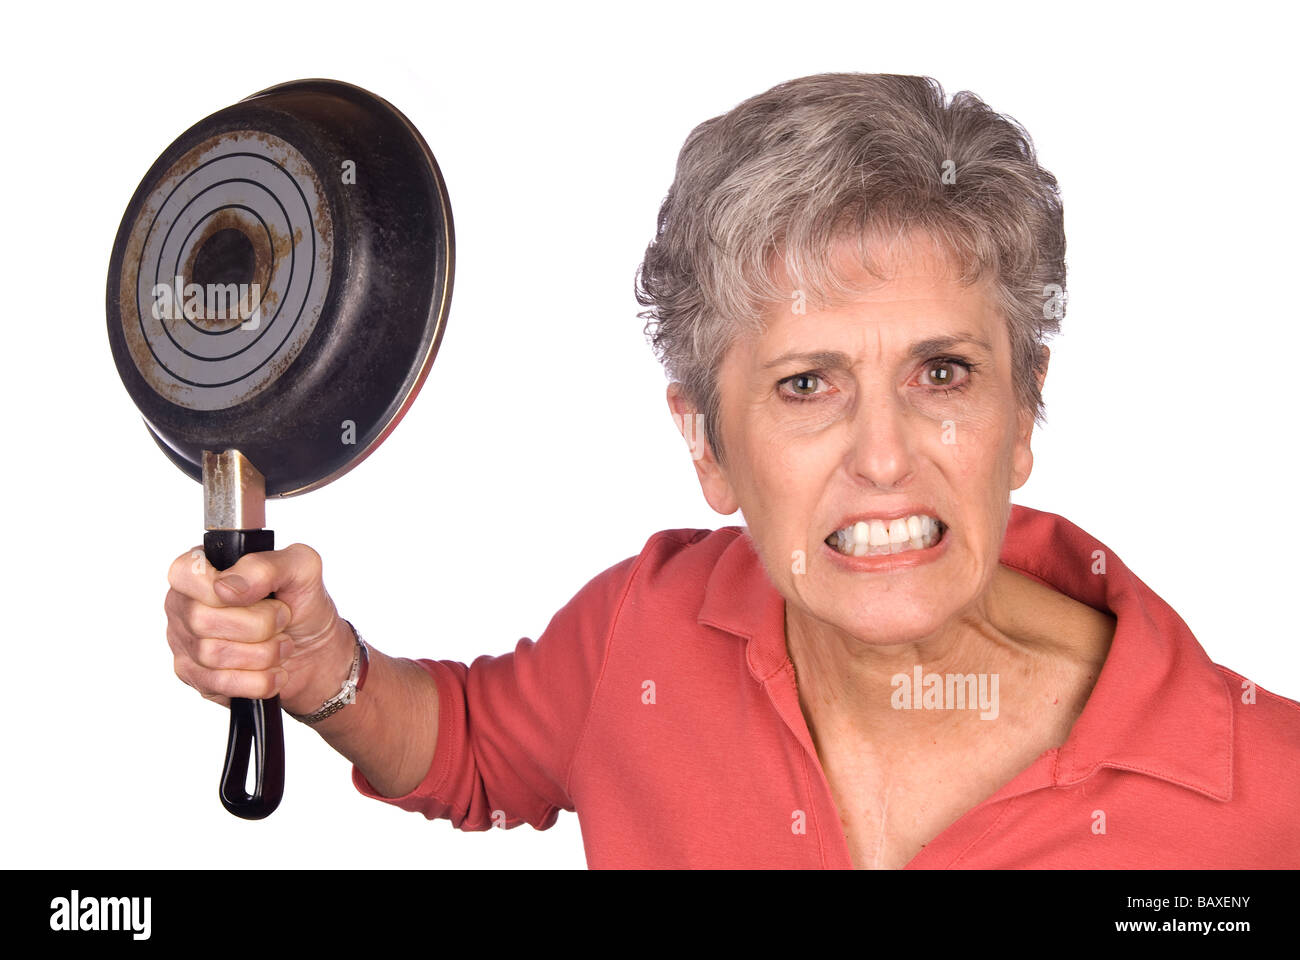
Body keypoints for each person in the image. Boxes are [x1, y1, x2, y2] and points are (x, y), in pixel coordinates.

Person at [164, 73, 1300, 868]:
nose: (884, 455)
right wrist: (323, 671)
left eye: (941, 372)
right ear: (706, 445)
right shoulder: (642, 635)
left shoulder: (1269, 796)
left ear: (1022, 411)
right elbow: (465, 742)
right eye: (807, 383)